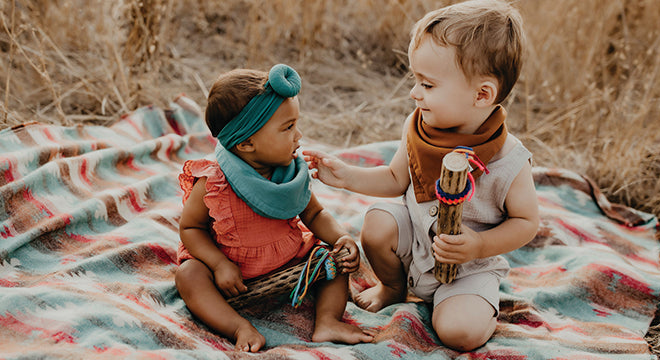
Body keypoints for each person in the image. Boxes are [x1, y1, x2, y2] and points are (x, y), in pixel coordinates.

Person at [303, 0, 539, 351]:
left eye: (427, 85)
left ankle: (477, 307)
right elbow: (397, 180)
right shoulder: (419, 128)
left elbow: (527, 222)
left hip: (468, 266)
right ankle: (394, 287)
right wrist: (346, 177)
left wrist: (479, 246)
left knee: (460, 334)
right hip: (415, 243)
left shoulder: (510, 160)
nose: (414, 93)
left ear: (482, 94)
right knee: (378, 221)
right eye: (416, 80)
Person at [175, 64, 374, 352]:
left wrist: (341, 238)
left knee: (334, 257)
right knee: (189, 275)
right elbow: (190, 228)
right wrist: (218, 264)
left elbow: (315, 214)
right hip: (232, 272)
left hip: (288, 259)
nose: (299, 135)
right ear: (246, 143)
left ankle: (328, 321)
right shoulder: (214, 181)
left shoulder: (290, 172)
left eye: (296, 123)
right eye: (288, 127)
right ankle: (239, 326)